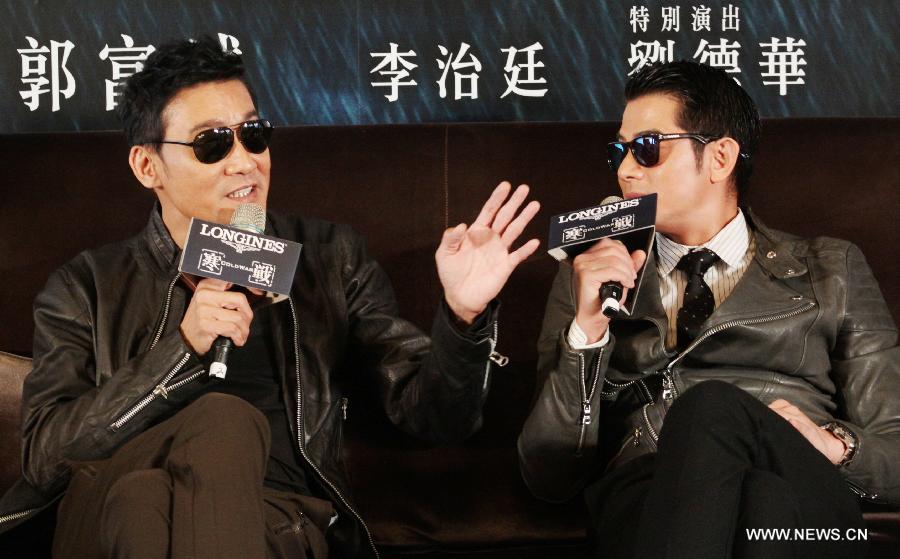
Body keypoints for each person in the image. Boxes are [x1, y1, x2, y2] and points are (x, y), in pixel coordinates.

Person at [0, 36, 540, 558]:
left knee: (153, 503)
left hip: (275, 519)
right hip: (105, 508)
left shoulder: (330, 258)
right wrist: (182, 349)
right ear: (148, 166)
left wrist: (463, 318)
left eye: (254, 135)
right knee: (215, 428)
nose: (244, 161)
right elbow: (47, 458)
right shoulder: (86, 284)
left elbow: (436, 418)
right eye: (212, 143)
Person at [518, 60, 898, 558]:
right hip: (652, 495)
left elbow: (894, 449)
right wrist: (588, 333)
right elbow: (549, 475)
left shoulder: (831, 269)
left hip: (802, 484)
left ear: (720, 158)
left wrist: (834, 445)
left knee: (721, 418)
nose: (625, 169)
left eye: (647, 149)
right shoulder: (592, 274)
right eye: (619, 151)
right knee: (762, 504)